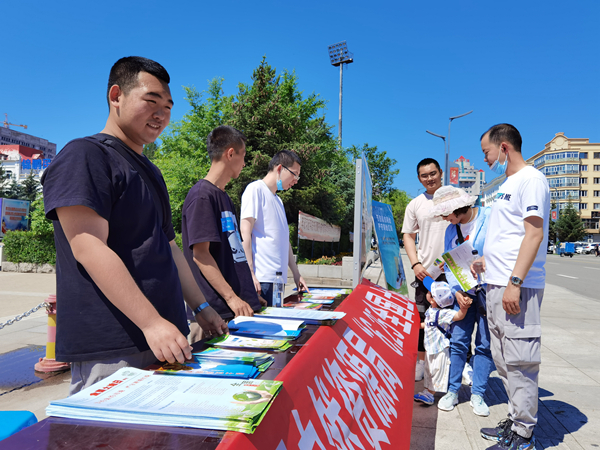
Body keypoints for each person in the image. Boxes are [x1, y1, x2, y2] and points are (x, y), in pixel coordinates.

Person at [41, 56, 227, 394]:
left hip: (168, 337)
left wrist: (201, 308)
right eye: (151, 101)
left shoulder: (150, 171)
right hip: (115, 346)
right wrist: (151, 322)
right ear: (116, 96)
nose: (161, 115)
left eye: (167, 107)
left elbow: (169, 247)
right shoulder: (85, 155)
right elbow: (88, 246)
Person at [473, 124, 549, 450]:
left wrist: (515, 283)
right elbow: (508, 235)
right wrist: (485, 261)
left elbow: (534, 234)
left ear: (504, 147)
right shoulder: (507, 184)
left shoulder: (531, 180)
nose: (486, 159)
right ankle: (516, 420)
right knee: (504, 361)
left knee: (520, 362)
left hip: (516, 287)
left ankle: (524, 435)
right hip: (495, 284)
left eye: (487, 152)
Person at [181, 125, 263, 325]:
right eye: (243, 156)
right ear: (230, 153)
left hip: (237, 309)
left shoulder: (224, 196)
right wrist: (232, 298)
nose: (244, 163)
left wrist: (248, 295)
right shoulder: (202, 196)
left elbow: (233, 253)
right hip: (217, 315)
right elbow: (201, 255)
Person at [428, 185, 495, 417]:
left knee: (484, 344)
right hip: (463, 294)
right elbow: (449, 263)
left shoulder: (490, 218)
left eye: (446, 213)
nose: (444, 218)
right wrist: (456, 291)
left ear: (458, 208)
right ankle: (453, 391)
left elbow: (502, 250)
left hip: (488, 291)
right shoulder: (451, 230)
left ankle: (478, 393)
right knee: (458, 341)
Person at [240, 151, 309, 305]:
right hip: (262, 280)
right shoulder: (255, 189)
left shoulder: (278, 201)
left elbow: (285, 241)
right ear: (280, 168)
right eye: (294, 174)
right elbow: (245, 233)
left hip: (278, 281)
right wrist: (249, 274)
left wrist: (296, 274)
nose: (296, 181)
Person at [402, 158, 449, 381]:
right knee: (422, 319)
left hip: (453, 272)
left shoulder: (454, 197)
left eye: (433, 173)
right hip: (426, 274)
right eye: (424, 175)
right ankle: (421, 362)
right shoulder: (416, 204)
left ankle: (456, 364)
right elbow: (408, 236)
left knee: (456, 319)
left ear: (441, 173)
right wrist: (416, 264)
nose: (429, 178)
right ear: (419, 178)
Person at [413, 277, 468, 406]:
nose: (427, 293)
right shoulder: (430, 311)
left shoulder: (443, 313)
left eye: (429, 292)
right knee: (429, 370)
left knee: (437, 371)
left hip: (440, 348)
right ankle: (427, 390)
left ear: (433, 299)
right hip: (430, 347)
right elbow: (427, 325)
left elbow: (458, 316)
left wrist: (464, 308)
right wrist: (416, 326)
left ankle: (430, 394)